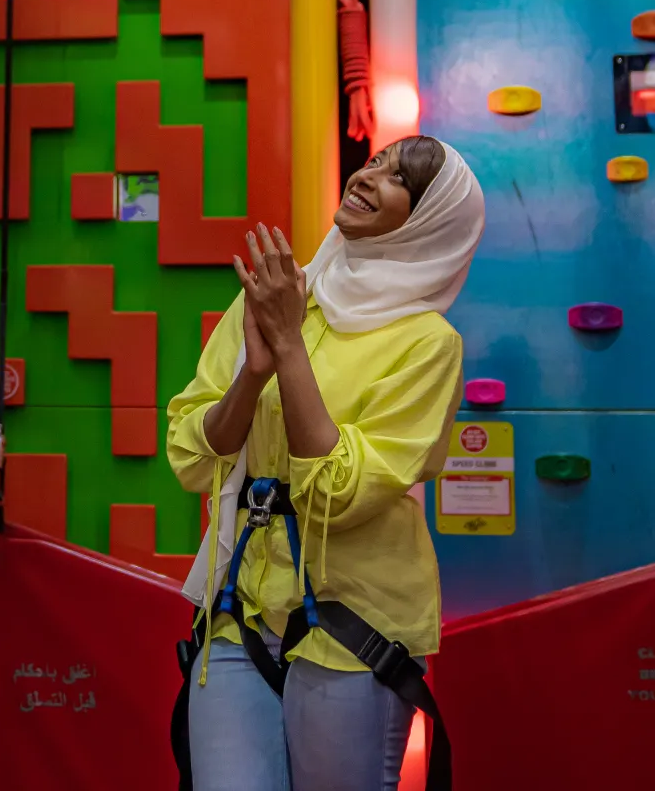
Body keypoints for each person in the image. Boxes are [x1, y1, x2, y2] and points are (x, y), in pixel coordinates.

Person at [167, 137, 486, 791]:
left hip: (356, 624)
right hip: (240, 607)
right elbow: (193, 455)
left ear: (426, 221)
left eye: (400, 179)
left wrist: (287, 347)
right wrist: (251, 375)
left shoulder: (428, 346)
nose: (369, 176)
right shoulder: (282, 294)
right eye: (374, 161)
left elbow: (336, 495)